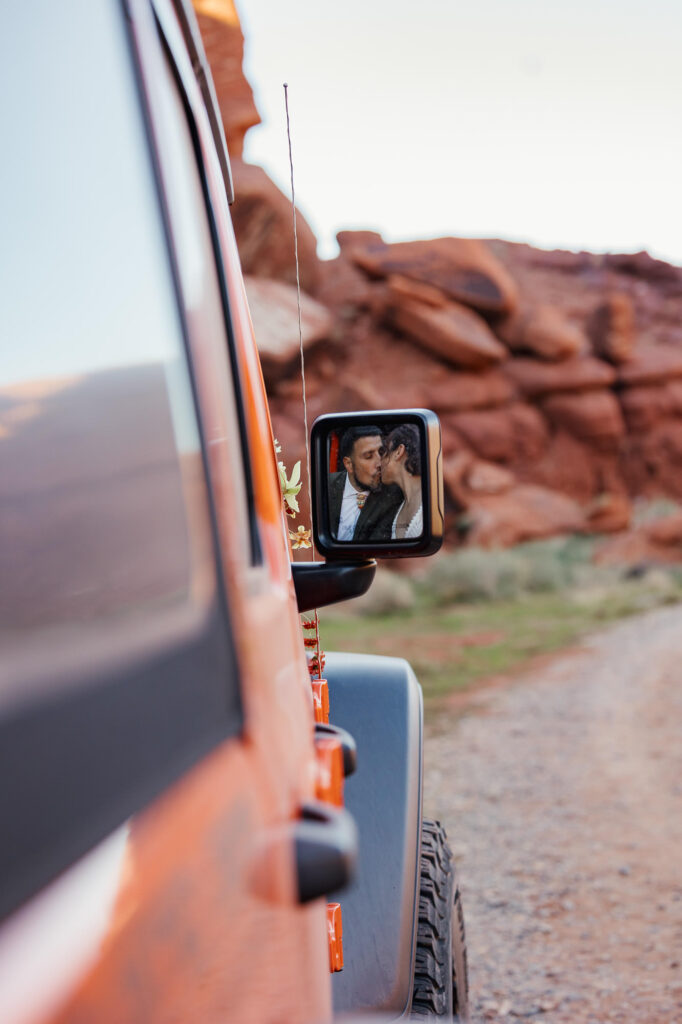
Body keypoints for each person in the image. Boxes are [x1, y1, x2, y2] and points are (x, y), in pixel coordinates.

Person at [329, 426, 402, 541]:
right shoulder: (326, 486)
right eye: (369, 456)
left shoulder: (393, 496)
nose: (380, 463)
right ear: (349, 464)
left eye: (381, 452)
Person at [381, 424, 423, 539]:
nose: (379, 463)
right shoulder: (401, 506)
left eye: (383, 452)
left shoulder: (431, 498)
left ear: (398, 452)